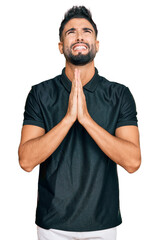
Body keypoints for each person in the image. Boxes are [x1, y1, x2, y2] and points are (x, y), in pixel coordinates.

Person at [18, 6, 141, 240]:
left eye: (86, 31)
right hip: (52, 225)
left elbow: (133, 162)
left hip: (102, 224)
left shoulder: (119, 94)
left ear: (96, 44)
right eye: (70, 32)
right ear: (61, 47)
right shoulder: (40, 94)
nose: (79, 36)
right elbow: (26, 160)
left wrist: (85, 120)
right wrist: (68, 119)